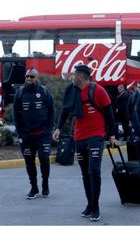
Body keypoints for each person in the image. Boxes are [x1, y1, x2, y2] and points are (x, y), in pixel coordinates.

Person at [52, 65, 117, 222]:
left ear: (80, 76)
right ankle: (90, 204)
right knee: (85, 173)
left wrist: (112, 135)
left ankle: (95, 207)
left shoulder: (98, 91)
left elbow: (109, 114)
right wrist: (58, 129)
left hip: (96, 135)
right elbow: (65, 111)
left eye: (74, 74)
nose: (72, 77)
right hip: (79, 136)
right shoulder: (72, 90)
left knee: (94, 170)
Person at [13, 68, 55, 199]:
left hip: (43, 135)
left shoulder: (43, 91)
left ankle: (45, 185)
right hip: (26, 136)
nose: (29, 79)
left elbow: (52, 110)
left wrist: (49, 129)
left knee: (44, 159)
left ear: (37, 78)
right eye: (27, 77)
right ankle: (34, 188)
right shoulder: (20, 93)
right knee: (29, 162)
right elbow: (16, 115)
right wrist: (20, 133)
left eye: (32, 77)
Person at [128, 81, 140, 154]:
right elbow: (129, 109)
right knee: (137, 138)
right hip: (135, 121)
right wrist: (130, 120)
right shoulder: (132, 96)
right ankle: (138, 154)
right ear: (136, 88)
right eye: (139, 87)